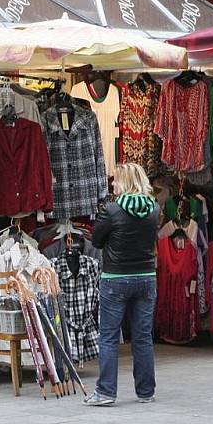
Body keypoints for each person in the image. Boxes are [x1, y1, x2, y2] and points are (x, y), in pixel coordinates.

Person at [84, 163, 159, 407]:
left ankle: (106, 392)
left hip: (116, 279)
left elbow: (96, 240)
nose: (112, 184)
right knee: (143, 337)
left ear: (124, 182)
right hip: (146, 277)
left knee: (108, 336)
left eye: (115, 180)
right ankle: (146, 391)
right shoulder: (154, 209)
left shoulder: (112, 210)